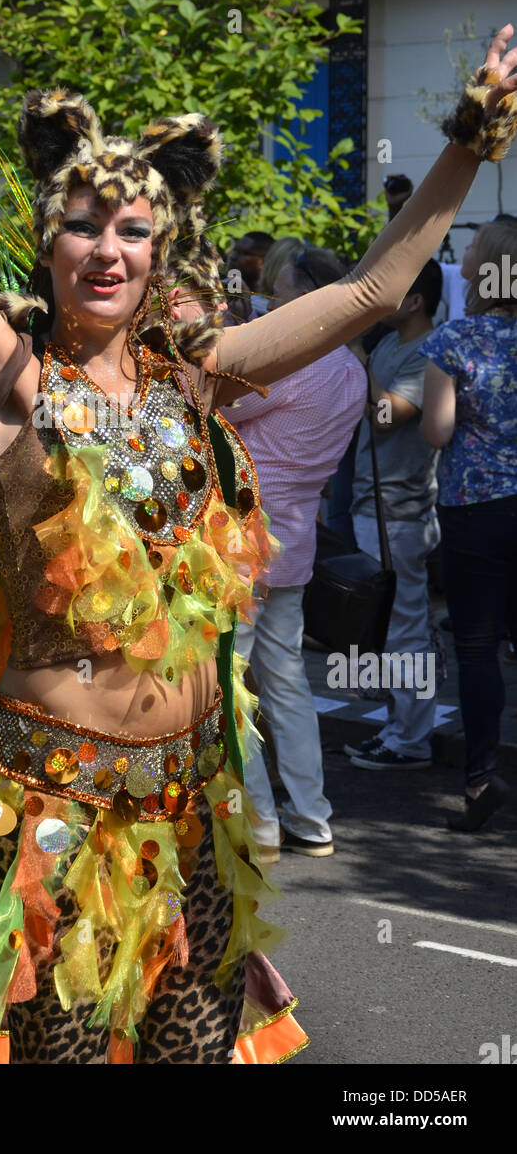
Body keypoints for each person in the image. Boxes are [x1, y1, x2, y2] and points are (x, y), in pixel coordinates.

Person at [0, 0, 517, 1065]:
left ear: (162, 245)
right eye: (81, 225)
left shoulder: (199, 379)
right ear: (48, 241)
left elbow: (373, 294)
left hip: (190, 809)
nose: (107, 247)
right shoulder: (0, 370)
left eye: (130, 226)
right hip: (51, 816)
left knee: (188, 1059)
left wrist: (468, 145)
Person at [223, 249, 367, 860]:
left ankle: (258, 820)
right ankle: (311, 814)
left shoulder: (292, 363)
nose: (269, 302)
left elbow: (218, 403)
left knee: (229, 682)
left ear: (309, 297)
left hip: (244, 538)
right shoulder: (353, 370)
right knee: (285, 682)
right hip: (297, 537)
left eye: (279, 293)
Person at [419, 217, 517, 831]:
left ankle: (482, 781)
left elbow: (437, 430)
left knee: (478, 650)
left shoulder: (454, 341)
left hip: (474, 508)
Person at [345, 260, 443, 769]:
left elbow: (386, 417)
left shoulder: (427, 354)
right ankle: (395, 729)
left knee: (406, 629)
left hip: (401, 513)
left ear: (416, 302)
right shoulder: (390, 345)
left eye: (395, 293)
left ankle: (411, 741)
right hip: (373, 506)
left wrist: (358, 355)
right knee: (388, 625)